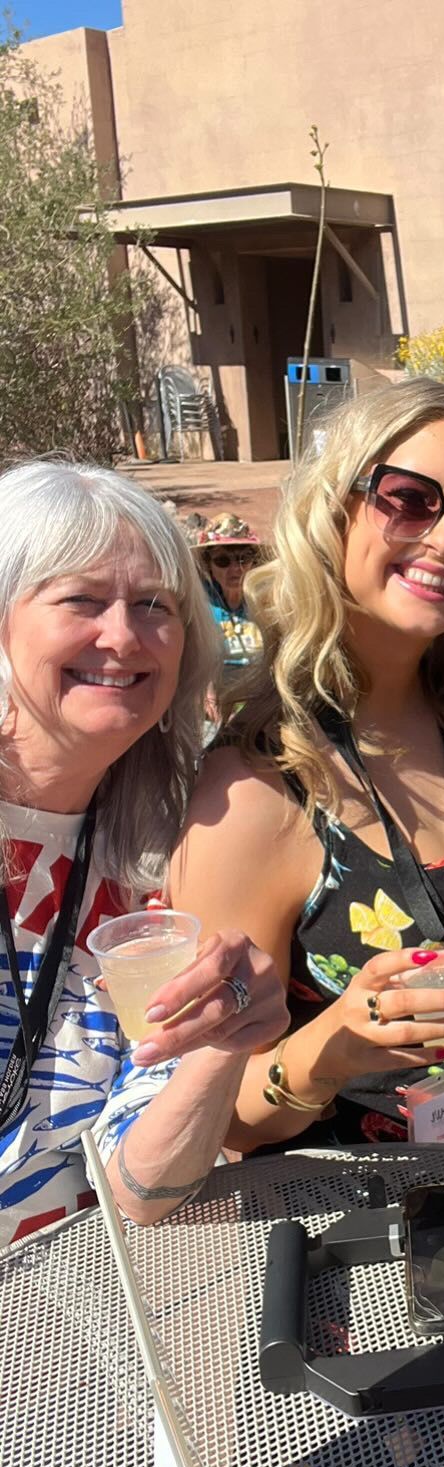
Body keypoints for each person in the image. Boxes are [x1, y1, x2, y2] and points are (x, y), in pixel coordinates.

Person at [164, 378, 444, 1156]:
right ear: (337, 510)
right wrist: (330, 1052)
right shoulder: (254, 788)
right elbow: (212, 1119)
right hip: (366, 1214)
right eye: (409, 500)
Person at [0, 461, 288, 1246]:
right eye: (81, 600)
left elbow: (139, 1190)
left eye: (154, 605)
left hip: (72, 1303)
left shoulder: (152, 856)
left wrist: (223, 1043)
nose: (123, 637)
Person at [188, 511, 265, 673]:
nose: (236, 569)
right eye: (223, 561)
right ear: (208, 565)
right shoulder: (198, 605)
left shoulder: (266, 601)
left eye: (244, 558)